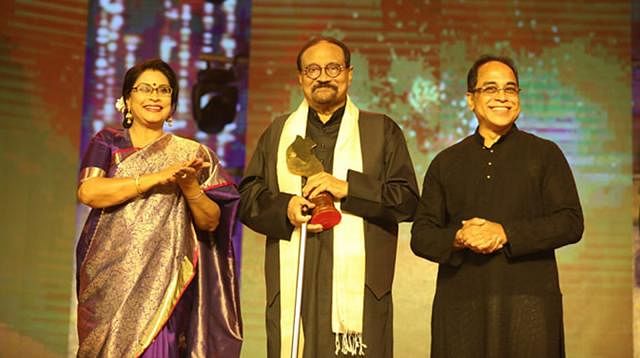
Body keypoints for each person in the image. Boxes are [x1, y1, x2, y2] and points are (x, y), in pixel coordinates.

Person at [239, 37, 419, 357]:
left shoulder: (380, 131)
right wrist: (286, 208)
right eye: (313, 69)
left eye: (333, 67)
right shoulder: (279, 133)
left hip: (360, 295)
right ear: (300, 79)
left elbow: (407, 201)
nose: (323, 76)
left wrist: (349, 189)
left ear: (350, 74)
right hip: (296, 286)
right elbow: (248, 196)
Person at [410, 55, 584, 358]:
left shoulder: (545, 154)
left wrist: (505, 233)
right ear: (470, 99)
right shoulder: (446, 162)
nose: (502, 97)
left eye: (511, 89)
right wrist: (459, 237)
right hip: (461, 309)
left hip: (528, 306)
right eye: (490, 89)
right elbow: (422, 235)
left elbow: (570, 222)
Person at [75, 59, 242, 357]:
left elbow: (211, 222)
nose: (154, 96)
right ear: (128, 99)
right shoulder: (108, 142)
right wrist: (157, 177)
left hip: (166, 285)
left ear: (173, 103)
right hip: (108, 279)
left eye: (163, 90)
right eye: (145, 89)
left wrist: (190, 186)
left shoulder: (193, 155)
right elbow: (89, 191)